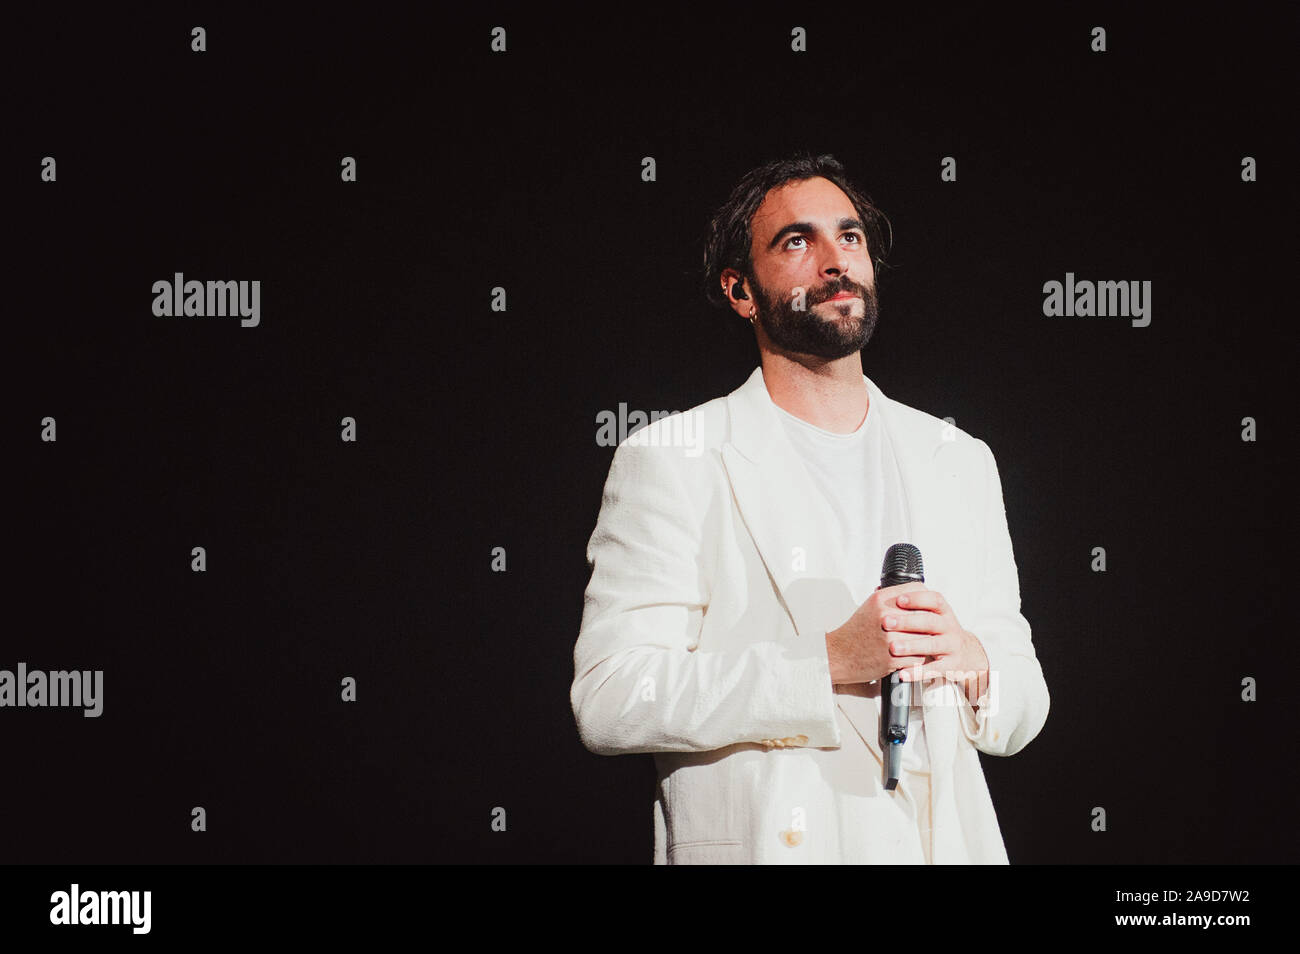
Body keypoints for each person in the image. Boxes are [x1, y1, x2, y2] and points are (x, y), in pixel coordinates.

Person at [570, 153, 1049, 864]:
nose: (835, 261)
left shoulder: (958, 460)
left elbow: (1023, 706)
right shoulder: (674, 458)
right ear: (741, 291)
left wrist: (974, 661)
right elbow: (611, 698)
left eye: (850, 237)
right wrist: (824, 662)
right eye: (798, 241)